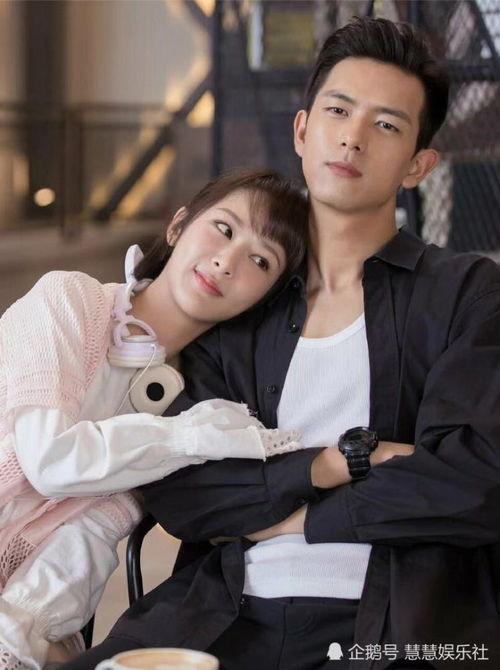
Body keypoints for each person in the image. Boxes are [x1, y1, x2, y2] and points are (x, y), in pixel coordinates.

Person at [63, 16, 500, 670]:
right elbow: (185, 490)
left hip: (391, 627)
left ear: (418, 165)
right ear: (302, 131)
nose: (352, 137)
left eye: (385, 125)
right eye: (338, 111)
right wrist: (338, 463)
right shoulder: (241, 296)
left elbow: (475, 482)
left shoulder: (465, 294)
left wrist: (299, 519)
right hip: (222, 613)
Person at [0, 169, 310, 670]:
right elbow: (50, 461)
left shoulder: (188, 405)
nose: (226, 262)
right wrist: (191, 436)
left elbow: (88, 543)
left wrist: (23, 631)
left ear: (265, 298)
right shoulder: (68, 299)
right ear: (178, 226)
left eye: (260, 261)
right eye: (224, 229)